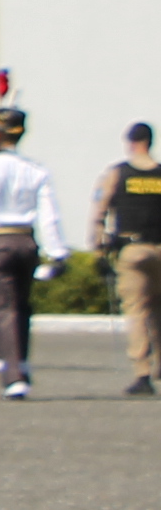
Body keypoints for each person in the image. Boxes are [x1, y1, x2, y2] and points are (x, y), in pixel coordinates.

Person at [0, 103, 66, 402]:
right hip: (26, 241)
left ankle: (13, 375)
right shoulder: (36, 170)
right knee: (21, 305)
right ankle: (20, 361)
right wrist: (56, 252)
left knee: (1, 308)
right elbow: (49, 216)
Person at [97, 123, 161, 399]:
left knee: (136, 309)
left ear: (130, 142)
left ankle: (142, 372)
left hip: (133, 250)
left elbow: (100, 210)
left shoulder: (117, 173)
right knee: (158, 309)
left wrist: (99, 250)